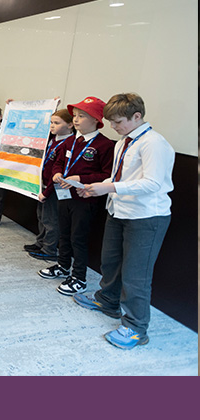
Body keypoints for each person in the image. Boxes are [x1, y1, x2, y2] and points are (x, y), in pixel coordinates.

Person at [73, 93, 174, 349]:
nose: (114, 126)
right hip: (118, 211)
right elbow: (120, 177)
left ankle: (136, 328)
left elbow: (152, 183)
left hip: (146, 217)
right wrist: (94, 186)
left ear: (137, 116)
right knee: (111, 261)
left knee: (135, 276)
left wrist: (109, 188)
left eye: (118, 121)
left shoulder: (154, 144)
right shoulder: (123, 142)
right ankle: (107, 300)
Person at [38, 97, 115, 296]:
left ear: (96, 120)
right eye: (75, 116)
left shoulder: (104, 145)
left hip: (85, 199)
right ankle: (63, 266)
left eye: (82, 116)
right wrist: (56, 173)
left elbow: (107, 175)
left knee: (77, 238)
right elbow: (58, 162)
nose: (77, 120)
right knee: (64, 233)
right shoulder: (71, 141)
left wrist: (81, 177)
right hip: (65, 196)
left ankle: (79, 277)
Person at [26, 108, 74, 259]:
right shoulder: (53, 140)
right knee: (41, 216)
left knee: (51, 220)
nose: (52, 126)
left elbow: (59, 173)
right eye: (51, 122)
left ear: (70, 125)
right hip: (43, 185)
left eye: (57, 123)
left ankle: (49, 250)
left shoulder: (68, 144)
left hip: (53, 189)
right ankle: (40, 242)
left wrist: (47, 192)